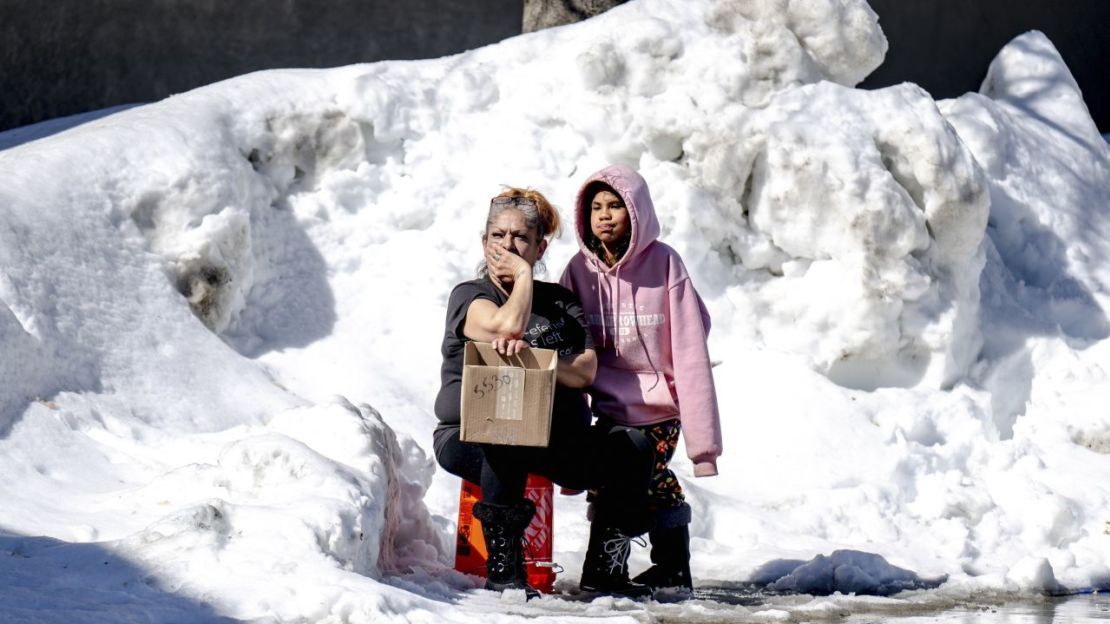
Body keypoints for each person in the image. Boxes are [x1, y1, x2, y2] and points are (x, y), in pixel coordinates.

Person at [433, 187, 656, 599]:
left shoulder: (560, 301)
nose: (508, 246)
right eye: (498, 236)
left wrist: (530, 362)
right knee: (508, 428)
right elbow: (504, 327)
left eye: (520, 238)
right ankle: (505, 568)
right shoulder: (470, 295)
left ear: (540, 247)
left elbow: (585, 370)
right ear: (484, 243)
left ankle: (605, 566)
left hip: (555, 437)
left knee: (634, 447)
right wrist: (521, 279)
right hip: (470, 434)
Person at [560, 164, 722, 595]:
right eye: (596, 207)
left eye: (615, 205)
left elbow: (691, 352)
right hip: (609, 408)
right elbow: (565, 346)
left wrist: (703, 448)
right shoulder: (579, 271)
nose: (605, 215)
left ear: (637, 212)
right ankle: (673, 570)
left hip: (660, 410)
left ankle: (602, 570)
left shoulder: (666, 264)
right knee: (649, 481)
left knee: (628, 474)